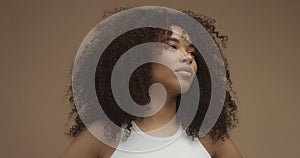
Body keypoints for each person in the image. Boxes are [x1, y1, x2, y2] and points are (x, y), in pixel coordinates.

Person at [61, 7, 242, 158]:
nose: (188, 58)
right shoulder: (104, 135)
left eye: (192, 53)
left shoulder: (209, 138)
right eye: (172, 46)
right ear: (138, 56)